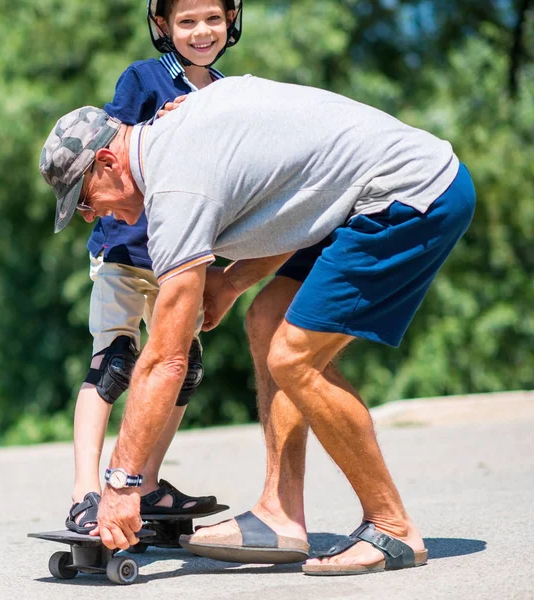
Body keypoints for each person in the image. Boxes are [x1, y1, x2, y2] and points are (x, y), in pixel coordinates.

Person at [39, 74, 476, 575]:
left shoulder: (175, 187)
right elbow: (296, 197)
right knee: (266, 320)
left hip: (412, 194)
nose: (94, 217)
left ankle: (392, 527)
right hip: (361, 195)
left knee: (294, 358)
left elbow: (165, 358)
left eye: (87, 201)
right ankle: (281, 514)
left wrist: (121, 483)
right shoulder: (175, 128)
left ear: (109, 162)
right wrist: (229, 284)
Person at [64, 0, 243, 535]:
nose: (201, 31)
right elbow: (106, 145)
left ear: (231, 19)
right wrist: (157, 123)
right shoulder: (143, 79)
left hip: (181, 258)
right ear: (163, 26)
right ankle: (85, 491)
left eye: (212, 18)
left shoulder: (229, 96)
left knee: (183, 367)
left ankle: (146, 483)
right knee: (115, 362)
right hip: (124, 246)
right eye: (186, 21)